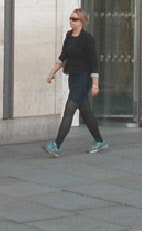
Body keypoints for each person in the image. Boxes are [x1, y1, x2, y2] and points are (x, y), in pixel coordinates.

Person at [42, 8, 107, 157]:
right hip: (73, 76)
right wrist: (52, 72)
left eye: (75, 19)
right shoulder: (69, 36)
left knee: (69, 109)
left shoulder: (87, 39)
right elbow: (63, 56)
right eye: (70, 18)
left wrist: (95, 84)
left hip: (84, 78)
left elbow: (93, 63)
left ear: (82, 21)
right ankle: (99, 140)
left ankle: (56, 145)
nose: (71, 21)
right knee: (86, 112)